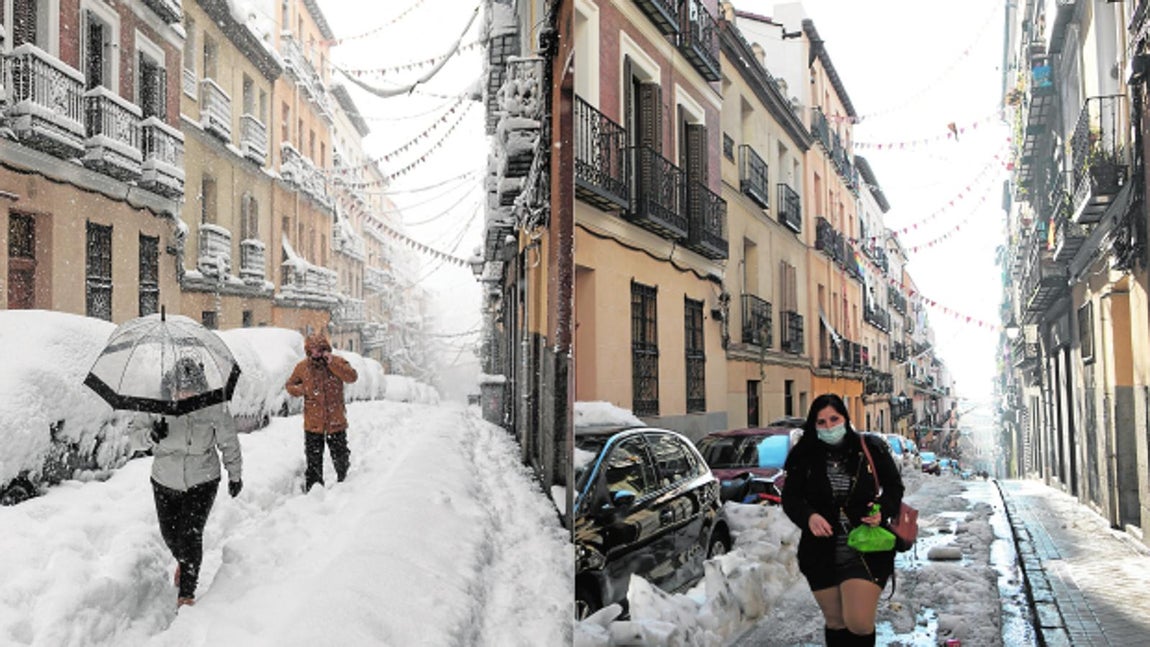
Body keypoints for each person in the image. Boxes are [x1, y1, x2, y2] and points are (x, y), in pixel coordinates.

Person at [781, 393, 904, 646]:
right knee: (836, 622)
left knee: (859, 623)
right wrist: (809, 516)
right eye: (821, 422)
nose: (829, 427)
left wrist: (882, 510)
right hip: (821, 553)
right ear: (813, 425)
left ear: (845, 419)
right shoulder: (804, 455)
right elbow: (790, 498)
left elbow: (894, 487)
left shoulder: (869, 448)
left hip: (866, 549)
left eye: (834, 419)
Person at [149, 357, 243, 608]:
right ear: (172, 386)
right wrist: (152, 435)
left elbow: (229, 441)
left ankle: (186, 594)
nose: (185, 394)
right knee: (170, 535)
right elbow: (136, 437)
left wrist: (235, 475)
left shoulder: (214, 406)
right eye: (181, 388)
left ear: (200, 387)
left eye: (191, 389)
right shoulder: (157, 405)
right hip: (164, 479)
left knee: (190, 535)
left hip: (202, 479)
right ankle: (184, 560)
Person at [284, 332, 358, 491]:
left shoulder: (336, 362)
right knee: (313, 461)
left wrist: (332, 363)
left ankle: (345, 485)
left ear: (325, 349)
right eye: (312, 349)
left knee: (341, 457)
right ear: (308, 350)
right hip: (313, 423)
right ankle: (314, 490)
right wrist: (303, 389)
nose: (316, 353)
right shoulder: (303, 367)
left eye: (319, 349)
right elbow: (290, 385)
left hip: (335, 421)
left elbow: (352, 377)